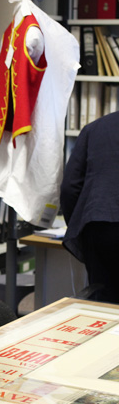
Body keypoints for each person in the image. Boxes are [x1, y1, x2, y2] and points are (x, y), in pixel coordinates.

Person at [60, 112, 119, 304]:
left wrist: (79, 228)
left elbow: (70, 187)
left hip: (100, 226)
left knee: (104, 303)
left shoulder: (95, 128)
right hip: (100, 221)